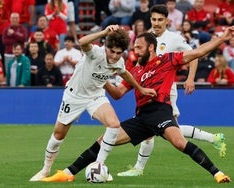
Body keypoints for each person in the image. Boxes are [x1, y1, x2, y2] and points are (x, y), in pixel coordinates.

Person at [41, 26, 234, 184]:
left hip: (160, 111)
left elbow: (198, 52)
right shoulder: (134, 71)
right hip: (141, 117)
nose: (134, 50)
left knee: (179, 142)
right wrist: (98, 76)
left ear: (151, 48)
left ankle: (217, 173)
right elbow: (117, 94)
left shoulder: (168, 59)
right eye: (134, 47)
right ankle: (67, 173)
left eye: (139, 47)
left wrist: (222, 38)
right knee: (104, 141)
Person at [29, 24, 157, 182]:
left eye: (119, 53)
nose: (115, 56)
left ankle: (99, 165)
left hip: (95, 96)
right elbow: (82, 42)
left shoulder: (118, 61)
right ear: (106, 47)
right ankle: (45, 169)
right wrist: (104, 32)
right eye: (112, 51)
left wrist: (141, 88)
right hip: (74, 96)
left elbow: (125, 73)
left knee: (114, 125)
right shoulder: (95, 52)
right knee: (58, 134)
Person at [117, 4, 226, 177]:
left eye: (160, 20)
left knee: (165, 130)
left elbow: (194, 54)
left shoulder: (174, 38)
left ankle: (139, 168)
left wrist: (190, 78)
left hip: (165, 90)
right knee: (161, 130)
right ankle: (213, 138)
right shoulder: (146, 38)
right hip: (145, 90)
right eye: (154, 19)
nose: (156, 23)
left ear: (167, 21)